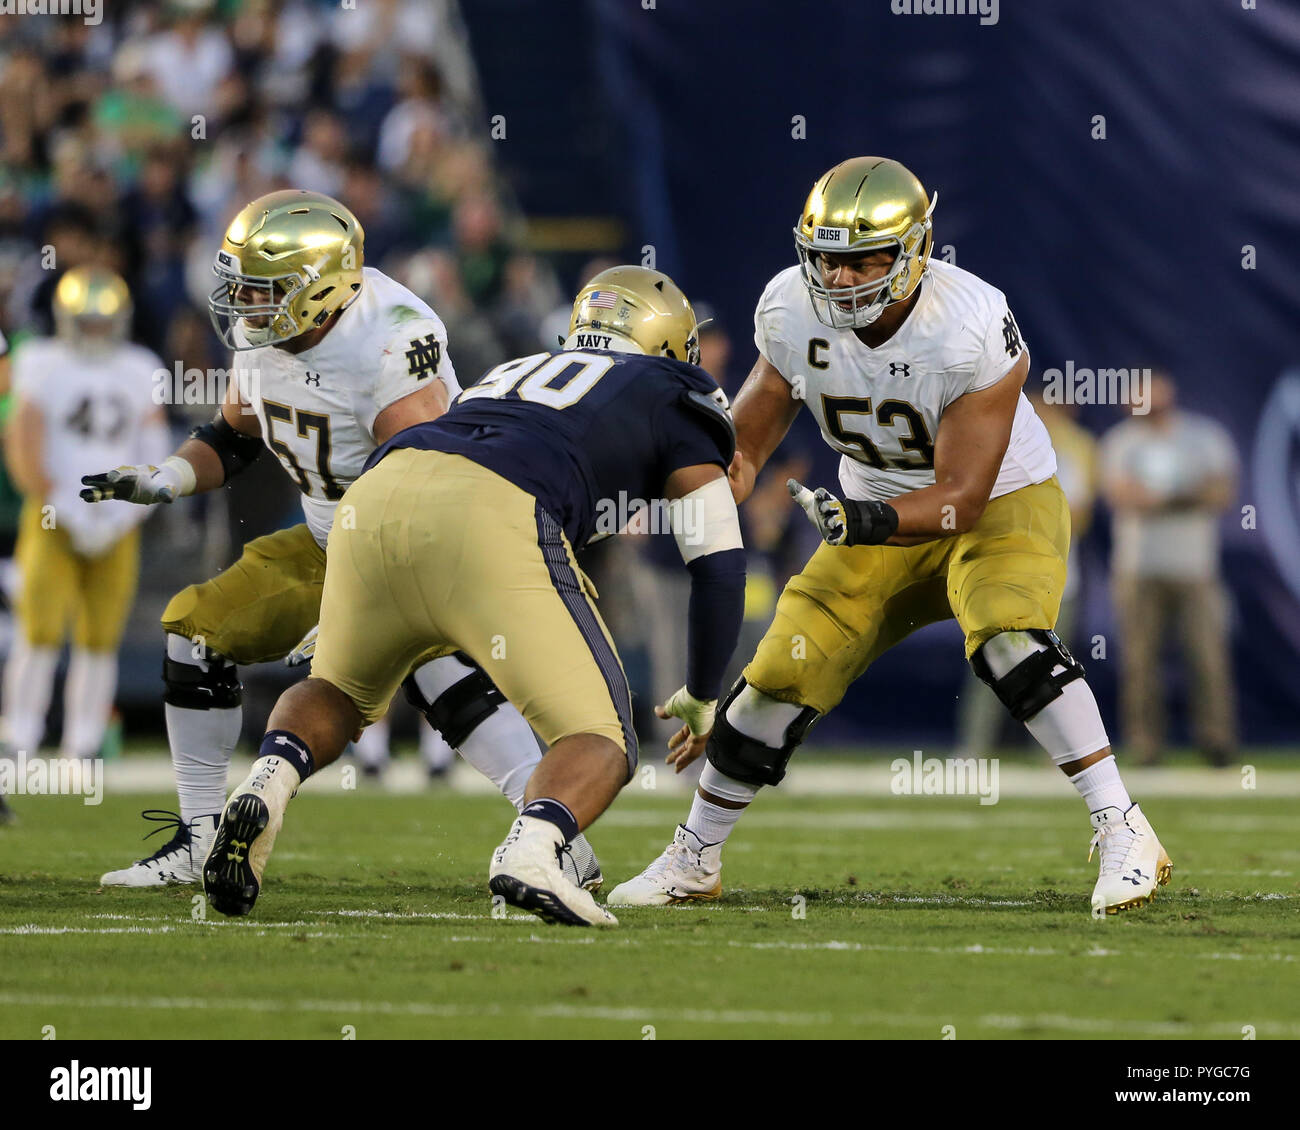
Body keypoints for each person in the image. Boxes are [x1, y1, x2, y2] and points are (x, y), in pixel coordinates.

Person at [611, 157, 1171, 918]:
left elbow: (963, 498)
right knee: (777, 674)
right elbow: (749, 441)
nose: (837, 280)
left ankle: (1123, 827)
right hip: (871, 511)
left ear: (915, 251)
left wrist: (870, 519)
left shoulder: (969, 322)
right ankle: (696, 856)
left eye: (858, 261)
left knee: (1009, 638)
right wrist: (700, 472)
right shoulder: (790, 307)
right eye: (826, 260)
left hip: (1003, 502)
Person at [86, 190, 601, 890]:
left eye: (262, 291)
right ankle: (200, 840)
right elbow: (234, 439)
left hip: (420, 537)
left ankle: (550, 836)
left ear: (321, 290)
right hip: (331, 535)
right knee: (193, 632)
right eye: (240, 286)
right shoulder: (263, 340)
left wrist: (347, 607)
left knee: (436, 668)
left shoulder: (389, 339)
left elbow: (418, 484)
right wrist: (168, 477)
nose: (243, 304)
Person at [201, 265, 745, 927]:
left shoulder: (515, 370)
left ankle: (269, 779)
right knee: (602, 737)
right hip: (494, 508)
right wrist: (704, 691)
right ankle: (534, 848)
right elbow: (718, 562)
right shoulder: (674, 387)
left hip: (376, 494)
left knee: (340, 689)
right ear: (670, 347)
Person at [1, 268, 166, 764]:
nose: (95, 330)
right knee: (39, 630)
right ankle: (20, 737)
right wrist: (56, 502)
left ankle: (85, 742)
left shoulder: (140, 366)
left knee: (100, 639)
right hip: (53, 515)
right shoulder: (40, 360)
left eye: (103, 321)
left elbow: (154, 448)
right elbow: (22, 440)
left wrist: (127, 514)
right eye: (87, 321)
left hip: (117, 520)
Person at [1099, 373, 1238, 766]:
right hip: (1137, 568)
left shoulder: (1203, 435)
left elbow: (1221, 492)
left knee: (1207, 657)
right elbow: (1122, 495)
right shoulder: (1120, 441)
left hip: (1195, 568)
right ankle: (1146, 745)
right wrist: (1187, 495)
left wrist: (1163, 496)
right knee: (1140, 662)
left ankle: (1217, 741)